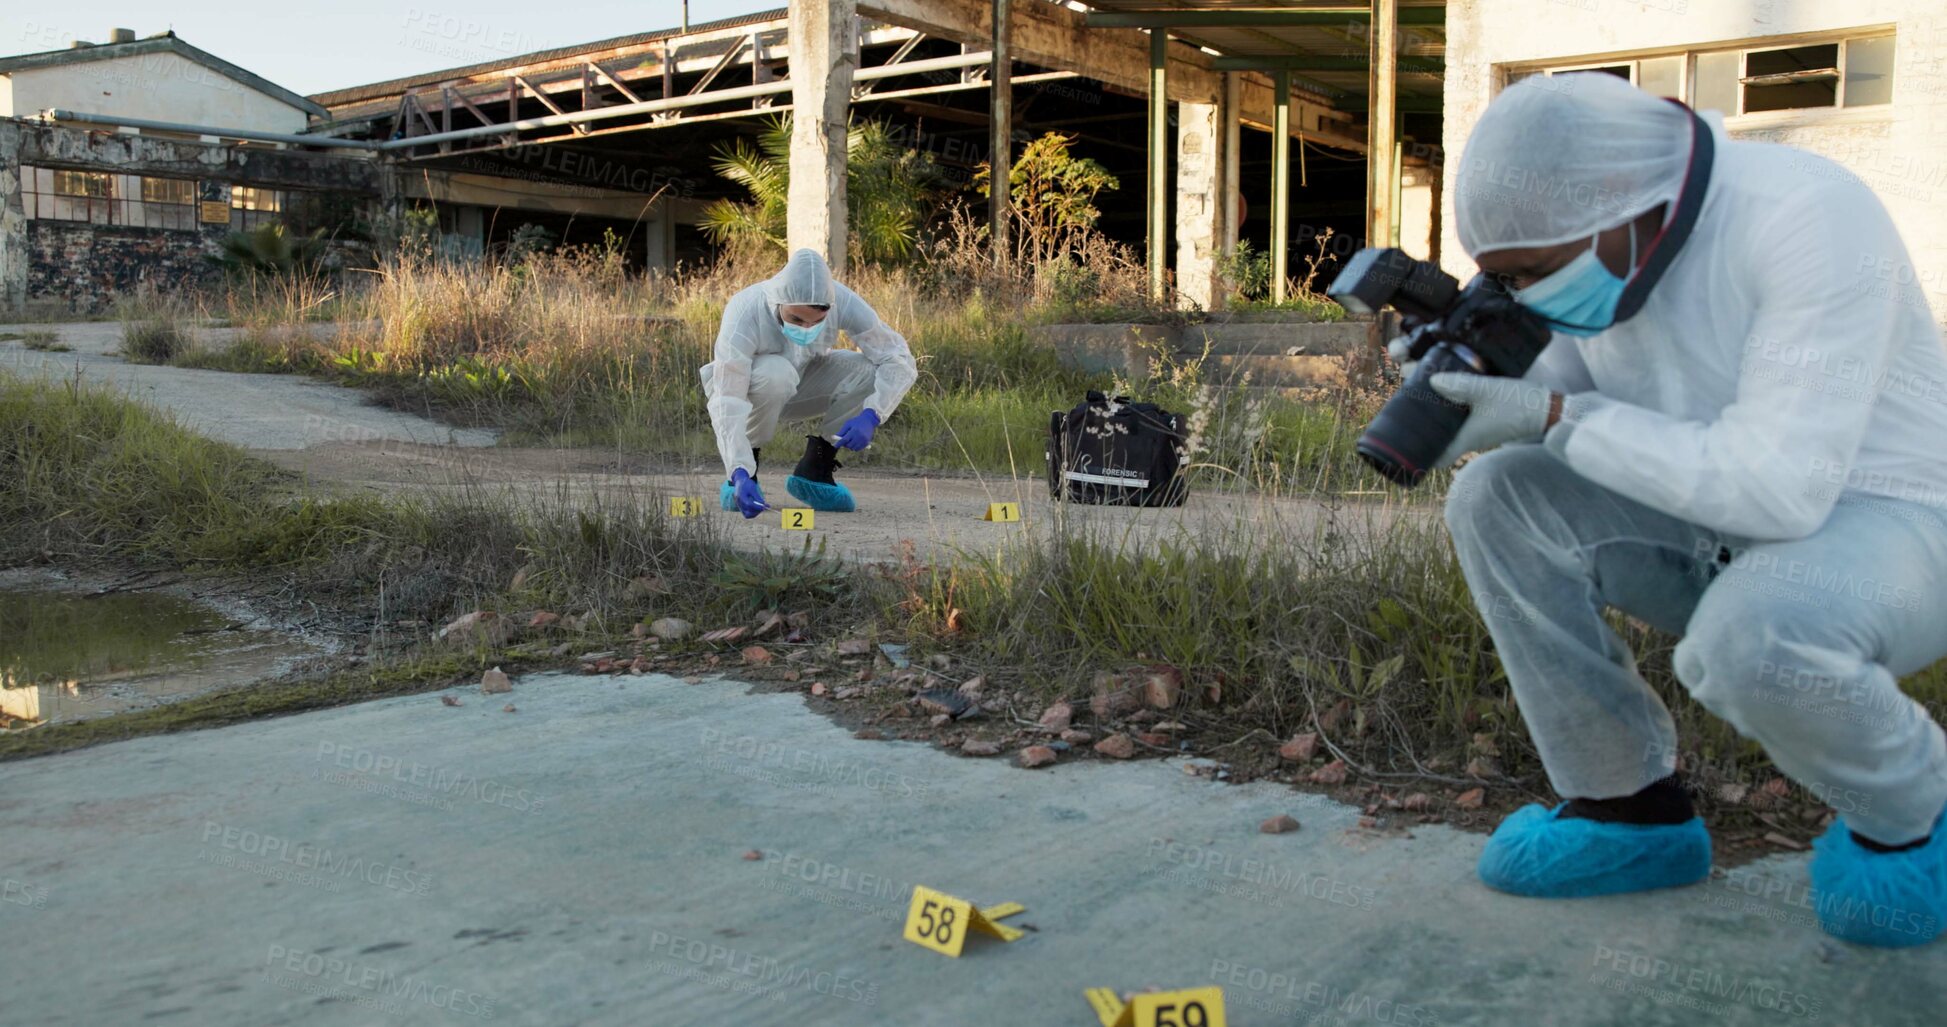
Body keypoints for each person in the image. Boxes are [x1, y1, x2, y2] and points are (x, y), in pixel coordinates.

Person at [1430, 73, 1947, 947]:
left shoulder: (1807, 215)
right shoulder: (1613, 252)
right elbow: (1572, 396)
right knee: (1497, 494)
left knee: (1749, 639)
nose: (1526, 298)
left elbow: (1779, 487)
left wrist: (1556, 417)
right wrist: (1480, 383)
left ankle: (1914, 821)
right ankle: (1627, 809)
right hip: (1717, 521)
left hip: (1894, 529)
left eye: (1530, 276)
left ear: (1616, 210)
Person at [699, 248, 917, 517]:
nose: (805, 328)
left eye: (817, 321)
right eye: (796, 319)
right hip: (751, 390)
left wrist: (872, 415)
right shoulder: (745, 309)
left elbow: (897, 357)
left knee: (868, 370)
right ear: (778, 302)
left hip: (802, 382)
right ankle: (748, 474)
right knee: (775, 372)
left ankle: (816, 469)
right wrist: (739, 470)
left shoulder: (842, 300)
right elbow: (727, 398)